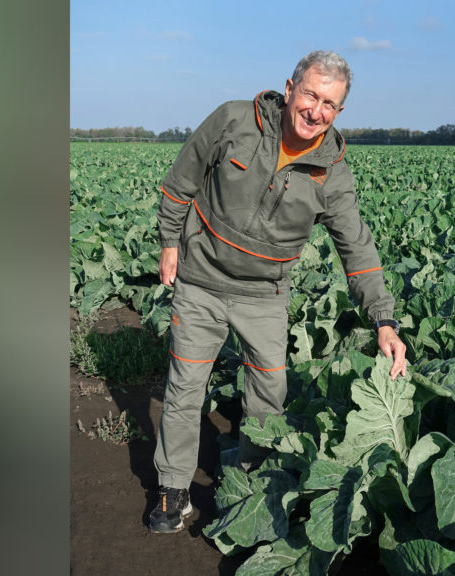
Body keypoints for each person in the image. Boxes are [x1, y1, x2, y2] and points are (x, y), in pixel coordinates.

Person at [148, 50, 407, 534]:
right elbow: (182, 179)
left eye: (329, 104)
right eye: (310, 95)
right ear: (289, 90)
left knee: (268, 394)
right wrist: (169, 241)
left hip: (263, 294)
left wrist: (384, 320)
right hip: (201, 278)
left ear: (339, 111)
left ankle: (249, 480)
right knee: (185, 387)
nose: (316, 111)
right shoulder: (233, 121)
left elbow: (357, 248)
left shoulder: (331, 172)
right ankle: (173, 485)